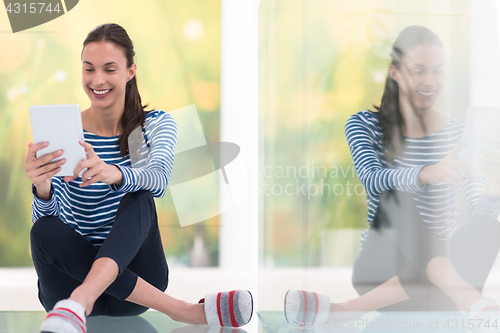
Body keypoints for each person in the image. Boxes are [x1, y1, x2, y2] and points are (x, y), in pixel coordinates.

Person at [25, 23, 252, 333]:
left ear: (131, 71)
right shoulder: (65, 131)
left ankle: (83, 299)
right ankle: (182, 310)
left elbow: (158, 179)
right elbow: (52, 221)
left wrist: (113, 172)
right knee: (43, 230)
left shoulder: (154, 125)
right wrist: (42, 189)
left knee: (141, 196)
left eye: (110, 69)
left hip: (135, 281)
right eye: (89, 69)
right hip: (67, 284)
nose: (98, 80)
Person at [285, 25, 500, 326]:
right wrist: (427, 173)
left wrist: (493, 188)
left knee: (490, 223)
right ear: (395, 72)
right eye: (419, 71)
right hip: (383, 274)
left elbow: (480, 213)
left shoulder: (458, 132)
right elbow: (373, 181)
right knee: (392, 192)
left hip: (443, 286)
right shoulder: (363, 124)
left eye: (438, 71)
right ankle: (467, 299)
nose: (430, 81)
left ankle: (346, 310)